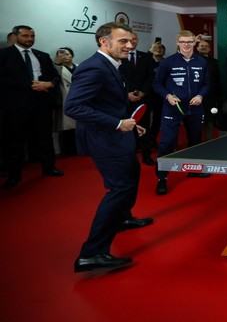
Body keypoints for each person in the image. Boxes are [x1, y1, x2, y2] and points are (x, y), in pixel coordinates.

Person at [65, 22, 153, 273]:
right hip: (105, 138)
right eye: (123, 41)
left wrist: (130, 124)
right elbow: (73, 107)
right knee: (121, 187)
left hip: (118, 134)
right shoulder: (93, 67)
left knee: (132, 174)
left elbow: (107, 103)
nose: (130, 45)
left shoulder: (112, 64)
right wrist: (117, 123)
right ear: (104, 42)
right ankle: (91, 254)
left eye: (131, 41)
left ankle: (123, 217)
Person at [0, 24, 63, 188]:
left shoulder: (42, 55)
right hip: (16, 106)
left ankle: (49, 167)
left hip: (42, 103)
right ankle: (14, 175)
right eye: (25, 36)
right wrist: (30, 85)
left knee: (45, 138)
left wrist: (49, 84)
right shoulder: (4, 55)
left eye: (32, 36)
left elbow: (55, 77)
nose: (30, 39)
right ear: (15, 36)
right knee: (16, 141)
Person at [151, 31, 210, 195]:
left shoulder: (201, 62)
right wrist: (168, 96)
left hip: (195, 109)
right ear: (177, 42)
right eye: (183, 42)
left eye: (189, 42)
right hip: (173, 108)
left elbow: (206, 84)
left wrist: (200, 96)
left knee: (195, 141)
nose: (186, 45)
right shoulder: (168, 62)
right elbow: (157, 84)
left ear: (194, 43)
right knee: (167, 143)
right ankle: (162, 178)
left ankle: (193, 170)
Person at [119, 31, 155, 162]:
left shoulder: (146, 57)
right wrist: (126, 94)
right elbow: (116, 79)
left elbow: (151, 77)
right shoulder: (118, 57)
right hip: (124, 100)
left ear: (138, 40)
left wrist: (142, 92)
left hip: (143, 99)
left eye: (134, 39)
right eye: (129, 39)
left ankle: (146, 155)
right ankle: (129, 155)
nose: (132, 41)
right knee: (127, 129)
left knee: (145, 127)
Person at [141, 41, 165, 165]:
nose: (159, 49)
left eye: (161, 48)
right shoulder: (147, 61)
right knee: (145, 121)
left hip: (161, 96)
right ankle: (143, 144)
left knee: (158, 120)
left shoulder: (166, 62)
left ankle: (152, 139)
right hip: (147, 95)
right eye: (157, 48)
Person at [53, 46, 78, 156]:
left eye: (68, 54)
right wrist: (57, 63)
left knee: (80, 126)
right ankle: (67, 151)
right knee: (67, 127)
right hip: (65, 97)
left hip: (80, 99)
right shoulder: (56, 68)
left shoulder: (79, 67)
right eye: (62, 54)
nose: (65, 56)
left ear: (72, 56)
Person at [196, 38, 221, 139]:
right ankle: (195, 142)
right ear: (197, 48)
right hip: (196, 95)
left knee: (209, 119)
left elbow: (217, 79)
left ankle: (208, 141)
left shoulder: (214, 62)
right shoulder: (192, 60)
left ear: (210, 49)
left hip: (210, 96)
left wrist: (218, 96)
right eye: (202, 46)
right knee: (196, 120)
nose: (204, 47)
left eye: (206, 46)